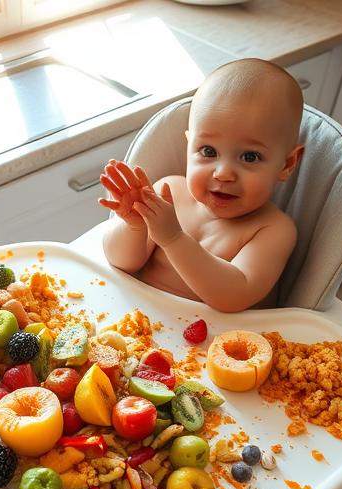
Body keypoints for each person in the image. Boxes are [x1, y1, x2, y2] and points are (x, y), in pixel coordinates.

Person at [100, 58, 305, 312]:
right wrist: (134, 227)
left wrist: (174, 239)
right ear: (189, 146)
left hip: (210, 345)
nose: (223, 173)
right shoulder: (169, 193)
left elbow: (234, 295)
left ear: (287, 164)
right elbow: (120, 263)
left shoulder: (273, 230)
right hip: (134, 325)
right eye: (208, 151)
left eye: (250, 157)